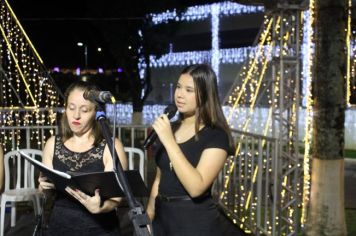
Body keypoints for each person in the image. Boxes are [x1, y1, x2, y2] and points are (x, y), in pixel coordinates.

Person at [146, 64, 234, 235]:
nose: (179, 94)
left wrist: (169, 141)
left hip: (193, 221)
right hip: (162, 218)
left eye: (189, 90)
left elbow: (196, 187)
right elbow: (159, 178)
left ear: (205, 94)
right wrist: (149, 215)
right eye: (178, 87)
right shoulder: (170, 128)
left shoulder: (216, 135)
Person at [38, 81, 128, 236]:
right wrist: (43, 188)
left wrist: (101, 207)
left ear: (96, 112)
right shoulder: (52, 144)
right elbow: (45, 193)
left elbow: (116, 197)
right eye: (71, 108)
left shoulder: (111, 146)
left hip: (100, 228)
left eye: (84, 110)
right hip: (59, 225)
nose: (76, 115)